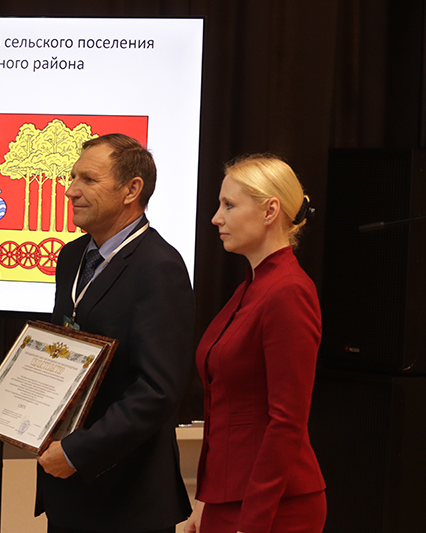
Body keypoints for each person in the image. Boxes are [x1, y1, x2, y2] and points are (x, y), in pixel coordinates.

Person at [0, 134, 195, 533]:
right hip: (69, 492)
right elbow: (59, 354)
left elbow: (158, 391)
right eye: (72, 177)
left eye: (88, 179)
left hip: (126, 498)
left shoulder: (159, 267)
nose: (71, 190)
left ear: (131, 190)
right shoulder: (72, 256)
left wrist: (77, 451)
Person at [184, 155, 326, 533]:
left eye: (229, 205)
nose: (216, 218)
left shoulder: (288, 290)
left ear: (270, 211)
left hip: (274, 506)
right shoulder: (254, 286)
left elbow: (287, 420)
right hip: (230, 497)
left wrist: (253, 522)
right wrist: (206, 497)